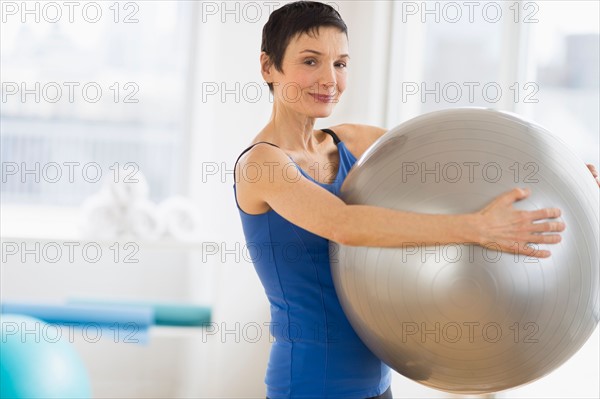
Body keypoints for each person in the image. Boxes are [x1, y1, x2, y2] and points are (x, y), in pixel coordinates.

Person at [232, 2, 600, 398]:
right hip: (309, 385)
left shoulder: (352, 141)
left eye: (340, 64)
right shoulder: (261, 164)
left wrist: (559, 175)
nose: (329, 79)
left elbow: (450, 161)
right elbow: (344, 225)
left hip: (380, 382)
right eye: (310, 61)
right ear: (269, 67)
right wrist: (476, 229)